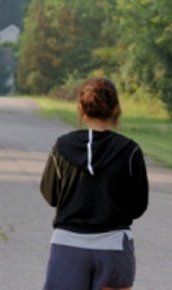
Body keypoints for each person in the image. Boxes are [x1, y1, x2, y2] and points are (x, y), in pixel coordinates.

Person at [40, 78, 149, 290]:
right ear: (116, 109)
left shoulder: (61, 147)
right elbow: (138, 207)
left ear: (80, 109)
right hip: (113, 246)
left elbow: (50, 195)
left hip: (67, 246)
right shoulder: (130, 151)